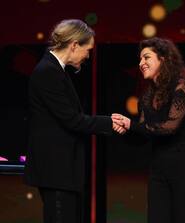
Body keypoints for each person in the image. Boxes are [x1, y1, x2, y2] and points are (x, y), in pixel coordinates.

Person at [24, 19, 124, 223]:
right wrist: (109, 123)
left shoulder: (55, 70)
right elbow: (72, 120)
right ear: (74, 45)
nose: (88, 56)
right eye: (87, 50)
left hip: (62, 170)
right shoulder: (47, 72)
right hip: (55, 171)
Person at [112, 37, 185, 223]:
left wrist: (131, 125)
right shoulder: (147, 95)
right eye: (140, 59)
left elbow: (168, 128)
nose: (141, 63)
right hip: (159, 171)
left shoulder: (181, 88)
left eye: (146, 58)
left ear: (163, 59)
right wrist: (125, 130)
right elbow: (143, 134)